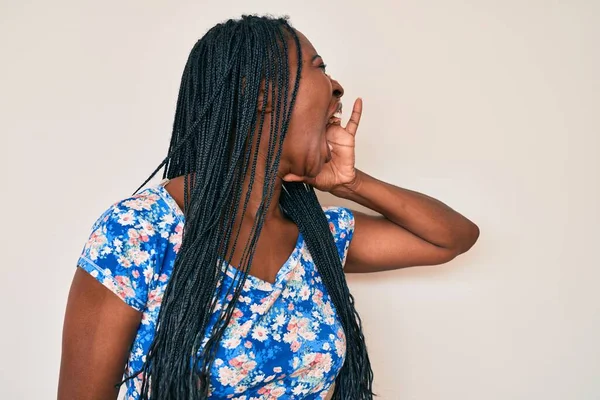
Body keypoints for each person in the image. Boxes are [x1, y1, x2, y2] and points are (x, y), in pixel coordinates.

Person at [58, 15, 479, 400]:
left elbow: (451, 239)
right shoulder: (139, 231)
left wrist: (352, 183)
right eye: (318, 67)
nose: (337, 86)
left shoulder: (317, 236)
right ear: (262, 92)